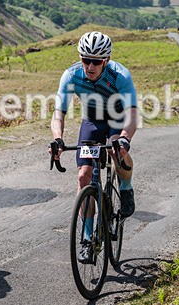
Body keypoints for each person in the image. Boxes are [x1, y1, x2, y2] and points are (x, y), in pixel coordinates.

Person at [50, 31, 137, 263]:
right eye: (85, 60)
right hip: (92, 121)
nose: (90, 66)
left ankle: (126, 187)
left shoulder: (120, 75)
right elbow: (58, 113)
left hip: (117, 119)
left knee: (116, 150)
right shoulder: (71, 75)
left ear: (106, 60)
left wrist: (125, 138)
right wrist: (58, 139)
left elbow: (132, 114)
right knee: (83, 176)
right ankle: (88, 239)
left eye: (96, 62)